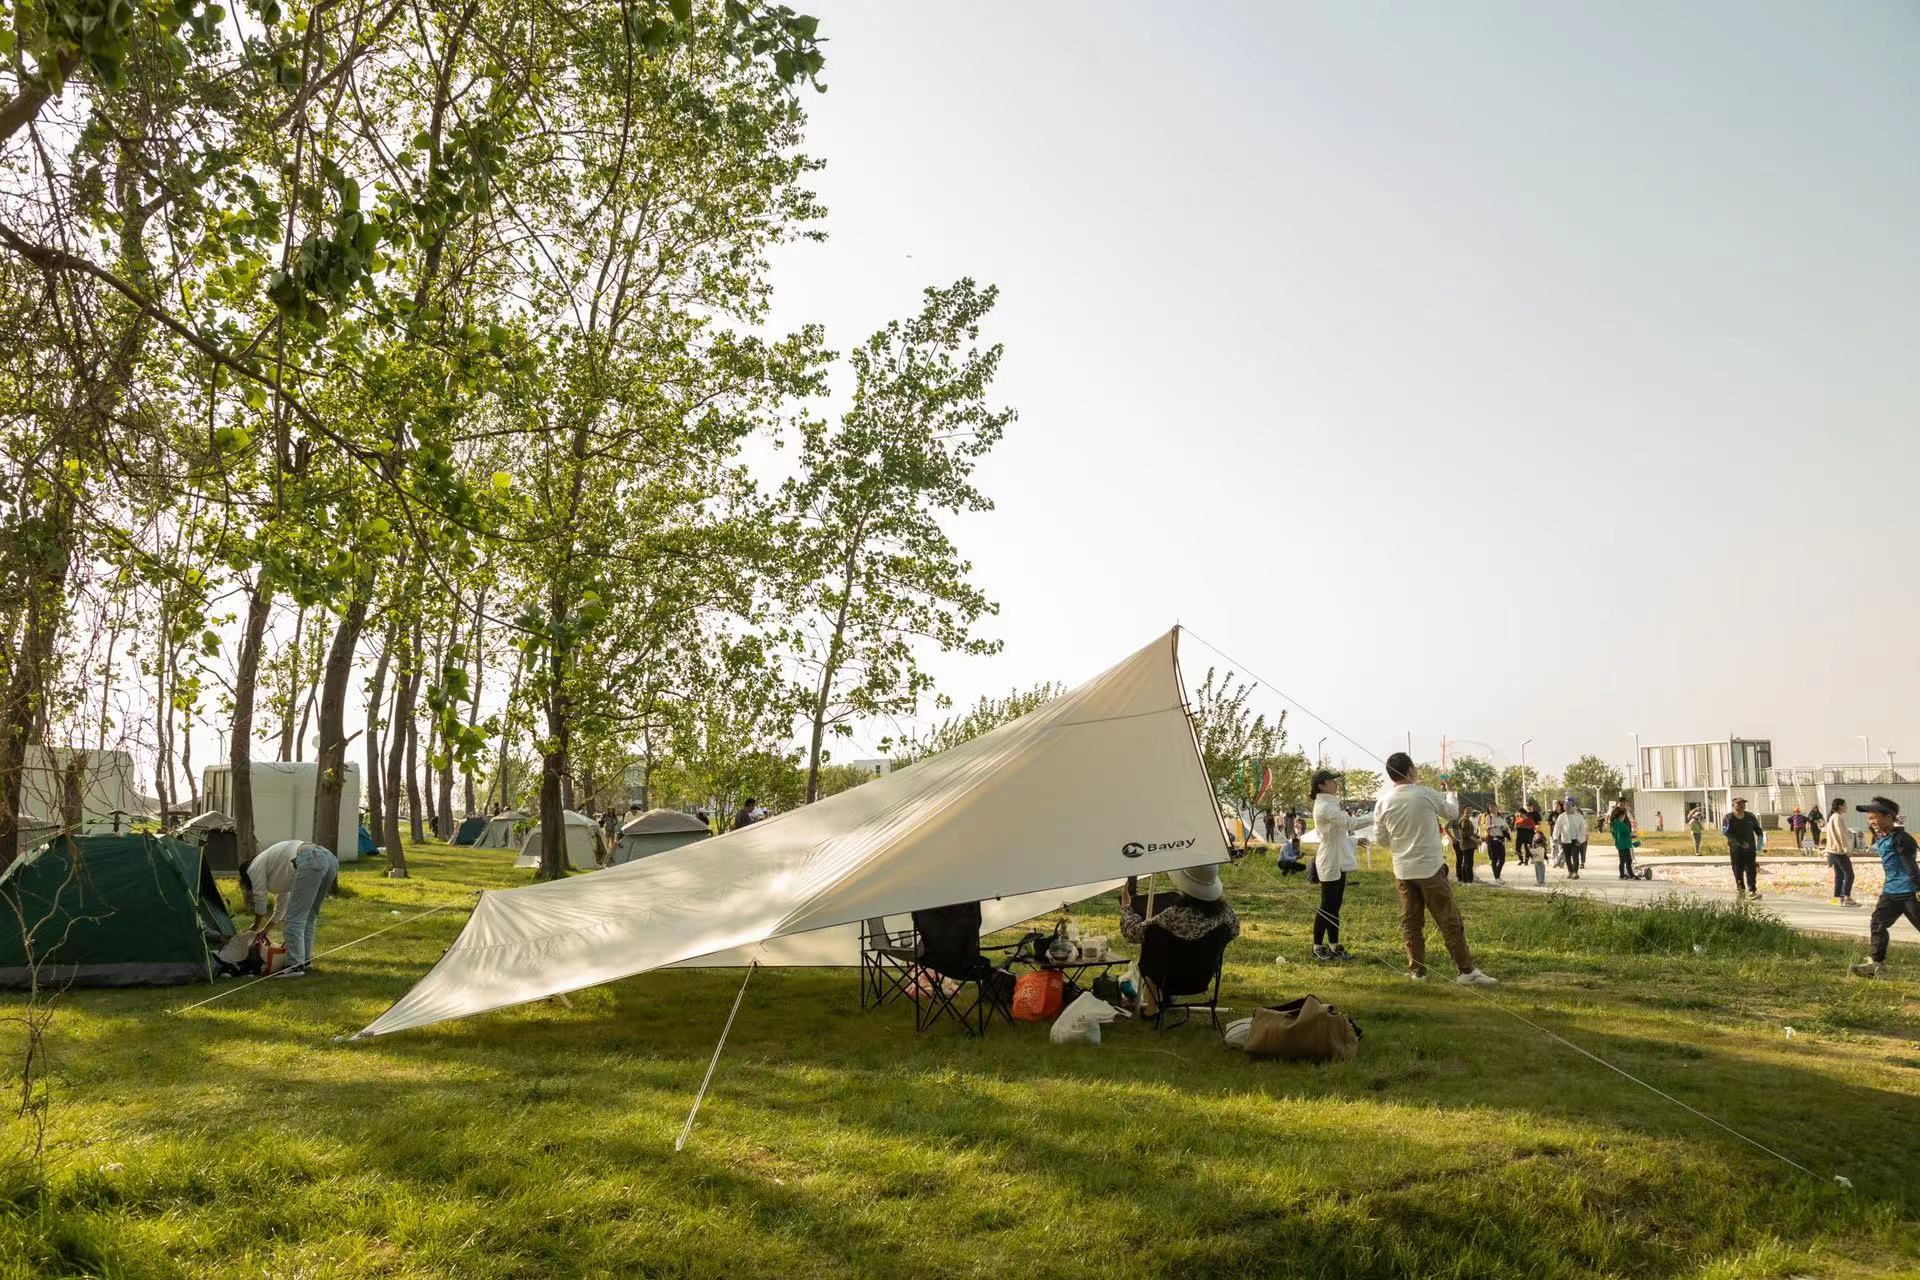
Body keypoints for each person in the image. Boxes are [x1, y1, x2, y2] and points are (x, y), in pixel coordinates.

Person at [1370, 753, 1496, 985]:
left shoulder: (1382, 802)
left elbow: (1381, 839)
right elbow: (1451, 813)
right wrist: (1449, 791)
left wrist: (1399, 846)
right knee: (1448, 920)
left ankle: (1417, 971)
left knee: (1411, 922)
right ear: (1409, 771)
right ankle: (1466, 971)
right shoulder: (1425, 793)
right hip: (1430, 868)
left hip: (1403, 870)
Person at [1119, 866, 1241, 1010]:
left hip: (1166, 978)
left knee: (1150, 955)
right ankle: (1161, 1002)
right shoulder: (1225, 914)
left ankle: (1153, 1007)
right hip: (1202, 977)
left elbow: (1133, 932)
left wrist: (1126, 907)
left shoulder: (1171, 916)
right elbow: (1233, 932)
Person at [239, 839, 339, 977]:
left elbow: (260, 898)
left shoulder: (253, 868)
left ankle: (294, 966)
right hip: (329, 858)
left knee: (293, 920)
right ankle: (305, 961)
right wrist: (265, 930)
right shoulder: (278, 868)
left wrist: (255, 926)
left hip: (310, 858)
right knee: (309, 916)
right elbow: (281, 909)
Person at [1849, 797, 1920, 978]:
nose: (1871, 822)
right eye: (1869, 818)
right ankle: (1876, 964)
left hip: (1910, 892)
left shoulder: (1901, 839)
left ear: (1889, 817)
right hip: (1890, 892)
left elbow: (1910, 866)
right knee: (1877, 923)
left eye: (1874, 817)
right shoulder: (1883, 837)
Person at [1310, 768, 1368, 961]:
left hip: (1338, 858)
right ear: (1321, 785)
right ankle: (1317, 946)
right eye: (1332, 780)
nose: (1336, 783)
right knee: (1327, 905)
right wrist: (1375, 816)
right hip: (1329, 859)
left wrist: (1354, 841)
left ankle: (1334, 945)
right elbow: (1350, 824)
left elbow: (1339, 835)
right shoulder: (1325, 806)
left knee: (1335, 905)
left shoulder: (1331, 804)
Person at [1720, 797, 1763, 899]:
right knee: (1737, 869)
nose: (1742, 805)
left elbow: (1757, 829)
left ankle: (1752, 890)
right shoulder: (1728, 818)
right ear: (1733, 805)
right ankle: (1741, 891)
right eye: (1739, 804)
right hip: (1736, 849)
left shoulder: (1750, 816)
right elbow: (1726, 832)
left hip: (1750, 849)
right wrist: (1740, 842)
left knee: (1751, 869)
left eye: (1743, 803)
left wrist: (1760, 840)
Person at [1824, 796, 1857, 907]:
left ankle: (1837, 898)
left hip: (1832, 850)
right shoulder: (1838, 817)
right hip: (1839, 851)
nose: (1846, 807)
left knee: (1839, 875)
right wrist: (1846, 849)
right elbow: (1841, 835)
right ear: (1840, 806)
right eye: (1845, 805)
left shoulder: (1832, 817)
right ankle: (1846, 897)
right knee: (1849, 875)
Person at [1552, 799, 1588, 879]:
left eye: (1568, 806)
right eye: (1565, 806)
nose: (1566, 808)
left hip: (1576, 840)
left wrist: (1580, 839)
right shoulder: (1562, 816)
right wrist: (1555, 837)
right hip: (1565, 840)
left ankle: (1575, 872)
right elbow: (1557, 828)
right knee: (1567, 857)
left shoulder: (1579, 816)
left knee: (1575, 857)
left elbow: (1583, 829)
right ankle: (1570, 871)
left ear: (1573, 806)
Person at [1447, 808, 1480, 883]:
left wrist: (1477, 837)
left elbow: (1469, 832)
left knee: (1465, 861)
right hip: (1463, 843)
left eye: (1470, 810)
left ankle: (1465, 879)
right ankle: (1464, 879)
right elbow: (1466, 833)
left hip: (1466, 843)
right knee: (1464, 861)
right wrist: (1452, 838)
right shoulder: (1462, 820)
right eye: (1467, 810)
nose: (1469, 812)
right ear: (1464, 811)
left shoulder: (1466, 819)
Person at [1609, 803, 1636, 879]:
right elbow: (1628, 833)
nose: (1624, 817)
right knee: (1629, 860)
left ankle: (1622, 875)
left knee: (1622, 861)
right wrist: (1633, 835)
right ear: (1621, 816)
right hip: (1625, 844)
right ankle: (1631, 875)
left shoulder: (1614, 824)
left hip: (1619, 845)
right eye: (1624, 815)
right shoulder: (1621, 824)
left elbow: (1614, 835)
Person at [1482, 807, 1510, 882]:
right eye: (1490, 807)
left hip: (1501, 838)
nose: (1492, 809)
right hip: (1493, 838)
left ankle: (1497, 875)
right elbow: (1485, 827)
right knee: (1495, 858)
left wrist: (1505, 829)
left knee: (1502, 859)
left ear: (1497, 808)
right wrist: (1492, 826)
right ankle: (1497, 877)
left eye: (1493, 807)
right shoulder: (1488, 817)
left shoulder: (1501, 816)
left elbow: (1507, 827)